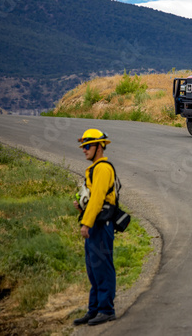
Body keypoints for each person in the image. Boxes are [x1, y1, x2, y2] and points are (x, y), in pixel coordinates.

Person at [73, 129, 117, 326]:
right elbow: (92, 198)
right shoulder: (94, 169)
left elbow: (98, 199)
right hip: (95, 224)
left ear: (99, 146)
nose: (84, 150)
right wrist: (81, 207)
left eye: (87, 146)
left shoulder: (103, 169)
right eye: (83, 146)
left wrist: (86, 223)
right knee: (93, 270)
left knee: (102, 269)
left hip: (100, 225)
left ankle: (106, 310)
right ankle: (94, 310)